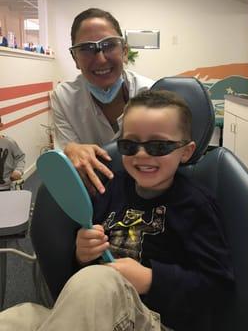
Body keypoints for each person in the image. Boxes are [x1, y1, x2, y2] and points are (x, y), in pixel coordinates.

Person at [0, 90, 233, 330]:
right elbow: (84, 276)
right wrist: (82, 254)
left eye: (159, 145)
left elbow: (219, 288)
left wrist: (151, 280)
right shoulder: (112, 189)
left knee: (98, 280)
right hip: (100, 307)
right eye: (129, 145)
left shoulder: (195, 206)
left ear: (186, 151)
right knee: (19, 318)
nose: (141, 154)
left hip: (156, 320)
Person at [51, 8, 153, 194]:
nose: (100, 58)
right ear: (75, 58)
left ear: (124, 51)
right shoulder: (63, 97)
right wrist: (71, 150)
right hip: (93, 192)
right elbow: (67, 160)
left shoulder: (150, 93)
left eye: (109, 45)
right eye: (86, 49)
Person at [0, 116, 25, 191]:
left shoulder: (9, 142)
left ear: (1, 125)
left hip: (7, 186)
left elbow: (20, 157)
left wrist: (18, 170)